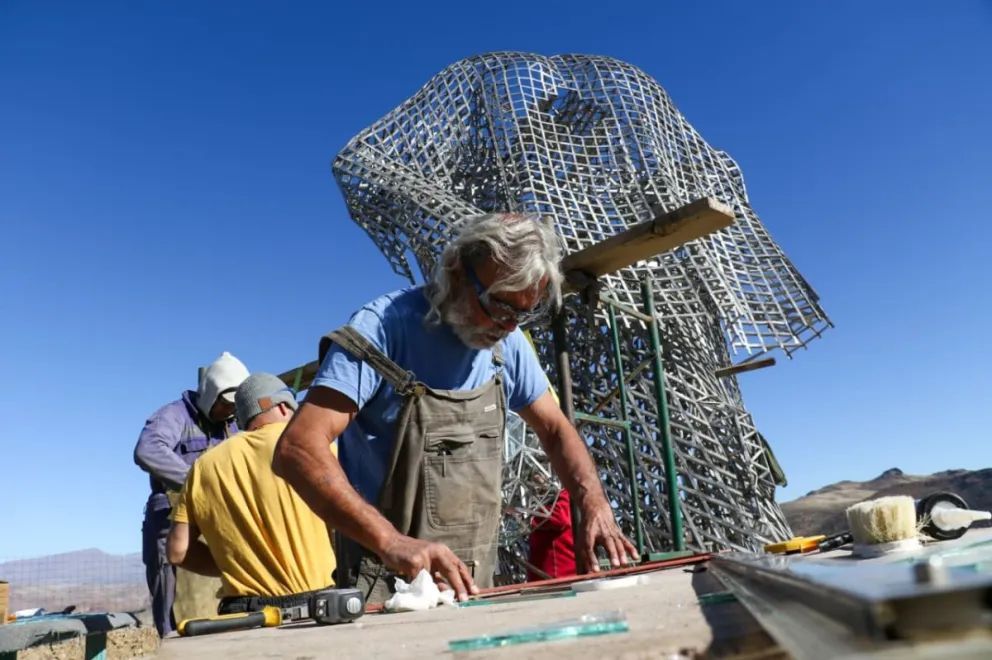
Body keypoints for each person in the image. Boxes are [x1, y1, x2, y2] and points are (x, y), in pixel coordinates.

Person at [273, 212, 636, 605]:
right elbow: (298, 449)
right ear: (455, 271)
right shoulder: (383, 329)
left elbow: (554, 429)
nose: (508, 325)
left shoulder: (506, 347)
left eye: (522, 313)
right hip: (389, 586)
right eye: (499, 305)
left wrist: (593, 500)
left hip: (473, 584)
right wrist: (389, 540)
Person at [167, 373, 337, 614]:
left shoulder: (204, 466)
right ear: (281, 407)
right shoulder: (319, 448)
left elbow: (177, 551)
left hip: (243, 615)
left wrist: (240, 566)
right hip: (315, 608)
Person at [133, 352, 248, 636]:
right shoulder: (174, 416)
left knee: (222, 608)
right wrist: (198, 481)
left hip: (218, 521)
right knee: (175, 611)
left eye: (233, 406)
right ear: (210, 393)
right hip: (171, 519)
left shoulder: (232, 426)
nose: (228, 411)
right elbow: (147, 451)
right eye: (223, 403)